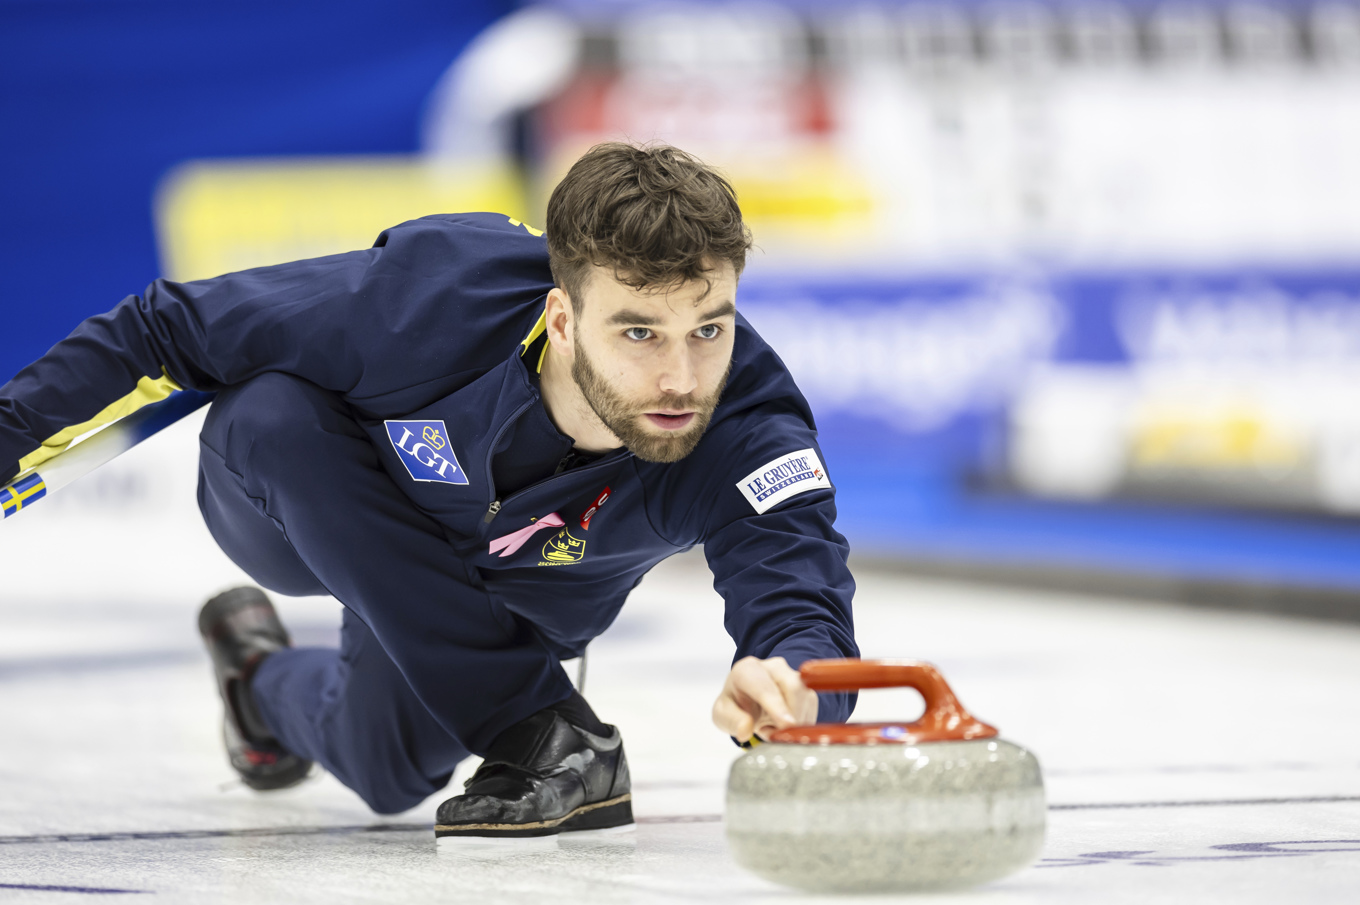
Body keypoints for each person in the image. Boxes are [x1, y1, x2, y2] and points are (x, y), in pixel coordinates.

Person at [0, 143, 858, 845]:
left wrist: (791, 687)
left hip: (523, 597)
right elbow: (165, 329)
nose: (680, 377)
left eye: (709, 328)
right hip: (314, 509)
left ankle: (255, 683)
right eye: (639, 331)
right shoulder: (429, 299)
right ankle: (535, 717)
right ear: (563, 319)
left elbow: (802, 602)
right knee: (267, 412)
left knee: (383, 770)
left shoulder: (746, 422)